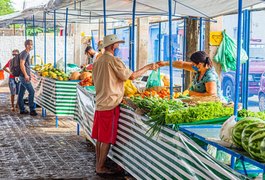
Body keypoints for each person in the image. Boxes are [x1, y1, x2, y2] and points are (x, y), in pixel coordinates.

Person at [92, 34, 158, 174]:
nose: (118, 46)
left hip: (100, 101)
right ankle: (100, 167)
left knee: (100, 137)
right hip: (110, 103)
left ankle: (99, 163)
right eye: (117, 44)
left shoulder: (98, 60)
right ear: (112, 46)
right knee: (106, 138)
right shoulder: (113, 60)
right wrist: (147, 67)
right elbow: (131, 76)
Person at [18, 39, 38, 116]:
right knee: (32, 92)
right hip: (24, 77)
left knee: (21, 93)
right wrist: (26, 75)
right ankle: (32, 110)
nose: (32, 46)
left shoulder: (24, 53)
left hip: (22, 76)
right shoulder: (25, 53)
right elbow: (22, 64)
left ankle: (22, 110)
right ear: (27, 45)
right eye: (31, 44)